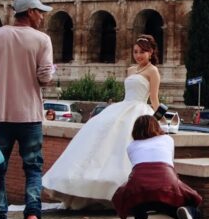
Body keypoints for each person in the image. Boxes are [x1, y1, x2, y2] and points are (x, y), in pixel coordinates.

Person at [43, 35, 161, 208]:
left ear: (151, 52)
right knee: (101, 142)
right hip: (124, 107)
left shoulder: (153, 71)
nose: (138, 55)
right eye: (136, 52)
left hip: (139, 110)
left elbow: (154, 98)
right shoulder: (130, 70)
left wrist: (159, 120)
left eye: (142, 52)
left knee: (124, 148)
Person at [0, 0, 55, 219]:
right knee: (33, 168)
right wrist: (48, 73)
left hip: (1, 114)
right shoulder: (42, 39)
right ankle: (33, 217)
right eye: (40, 12)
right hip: (30, 115)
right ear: (31, 12)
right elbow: (44, 77)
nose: (43, 16)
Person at [112, 115, 203, 219]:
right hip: (165, 182)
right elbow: (170, 163)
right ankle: (186, 213)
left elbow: (136, 167)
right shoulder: (167, 139)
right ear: (156, 126)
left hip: (140, 189)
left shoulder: (131, 146)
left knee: (133, 189)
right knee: (190, 208)